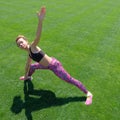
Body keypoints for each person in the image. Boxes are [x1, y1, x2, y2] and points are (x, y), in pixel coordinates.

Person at [15, 6, 93, 105]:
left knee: (69, 79)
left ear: (26, 40)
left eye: (21, 42)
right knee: (31, 66)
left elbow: (38, 36)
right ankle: (29, 78)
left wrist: (40, 21)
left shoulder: (33, 47)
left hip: (54, 65)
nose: (21, 45)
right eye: (19, 45)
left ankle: (88, 93)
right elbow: (27, 65)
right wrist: (26, 76)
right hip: (45, 65)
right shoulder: (29, 53)